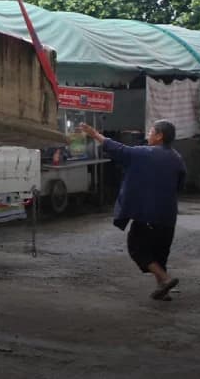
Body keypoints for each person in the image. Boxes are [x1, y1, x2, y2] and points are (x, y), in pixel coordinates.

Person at [80, 120, 186, 301]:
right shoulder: (177, 158)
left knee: (137, 248)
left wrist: (94, 134)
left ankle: (166, 279)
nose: (148, 135)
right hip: (168, 216)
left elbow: (118, 149)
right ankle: (163, 289)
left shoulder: (145, 154)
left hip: (147, 215)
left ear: (160, 136)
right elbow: (180, 186)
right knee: (160, 254)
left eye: (151, 132)